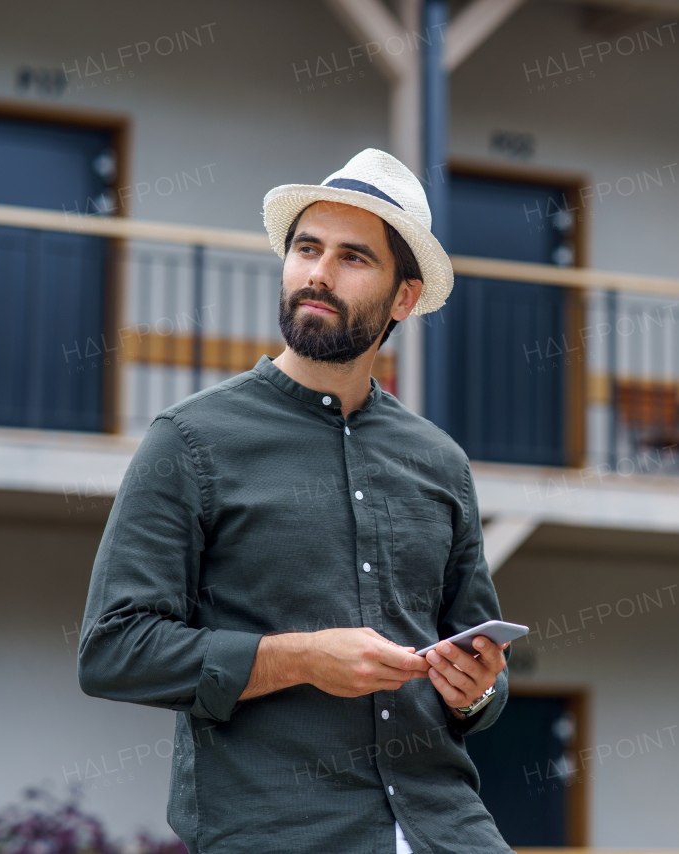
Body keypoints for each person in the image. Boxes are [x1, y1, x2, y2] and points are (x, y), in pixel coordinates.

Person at [77, 148, 513, 854]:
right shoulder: (190, 441)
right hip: (280, 832)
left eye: (352, 258)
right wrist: (303, 658)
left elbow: (480, 672)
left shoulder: (440, 462)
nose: (317, 272)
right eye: (306, 248)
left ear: (403, 297)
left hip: (448, 831)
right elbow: (113, 650)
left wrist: (478, 691)